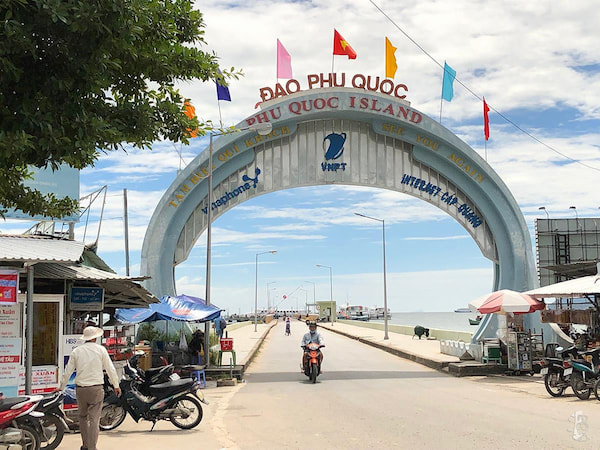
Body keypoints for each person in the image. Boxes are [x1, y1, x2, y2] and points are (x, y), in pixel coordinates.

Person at [59, 326, 121, 450]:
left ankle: (85, 444)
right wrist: (116, 385)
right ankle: (92, 447)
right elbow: (110, 369)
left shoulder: (77, 351)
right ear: (95, 338)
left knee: (82, 417)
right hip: (96, 389)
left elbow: (68, 371)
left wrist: (61, 387)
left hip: (81, 389)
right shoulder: (101, 350)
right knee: (94, 419)